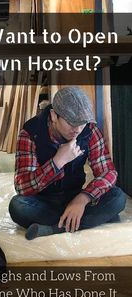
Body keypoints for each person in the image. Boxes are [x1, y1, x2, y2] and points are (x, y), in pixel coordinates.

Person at [9, 86, 126, 240]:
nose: (77, 129)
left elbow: (108, 172)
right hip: (44, 200)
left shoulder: (89, 130)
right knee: (18, 206)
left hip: (75, 195)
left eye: (82, 123)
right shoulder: (31, 133)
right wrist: (58, 161)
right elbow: (22, 187)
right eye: (71, 122)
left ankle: (54, 228)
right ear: (53, 116)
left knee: (118, 197)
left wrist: (82, 199)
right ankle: (89, 220)